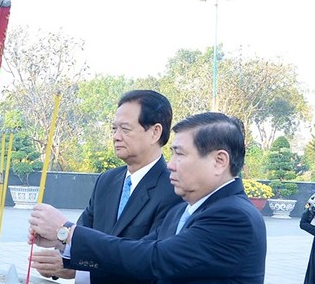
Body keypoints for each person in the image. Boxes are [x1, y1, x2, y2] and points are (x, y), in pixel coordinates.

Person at [29, 112, 267, 284]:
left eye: (180, 155)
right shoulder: (181, 211)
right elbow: (135, 251)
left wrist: (67, 231)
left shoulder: (234, 217)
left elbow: (153, 261)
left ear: (219, 161)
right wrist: (63, 244)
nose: (171, 166)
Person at [31, 89, 183, 284]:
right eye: (114, 129)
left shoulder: (174, 188)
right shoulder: (107, 180)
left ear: (155, 132)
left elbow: (146, 260)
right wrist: (57, 243)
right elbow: (83, 233)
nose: (116, 137)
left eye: (125, 129)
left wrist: (78, 267)